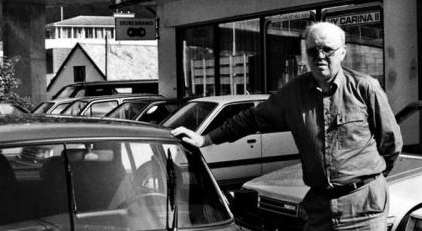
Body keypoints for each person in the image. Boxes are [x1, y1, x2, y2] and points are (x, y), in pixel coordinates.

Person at [171, 22, 402, 231]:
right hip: (320, 207)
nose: (319, 56)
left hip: (364, 207)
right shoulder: (293, 93)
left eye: (327, 50)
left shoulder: (365, 88)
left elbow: (390, 143)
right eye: (313, 50)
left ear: (342, 52)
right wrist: (205, 139)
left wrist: (370, 180)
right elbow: (251, 119)